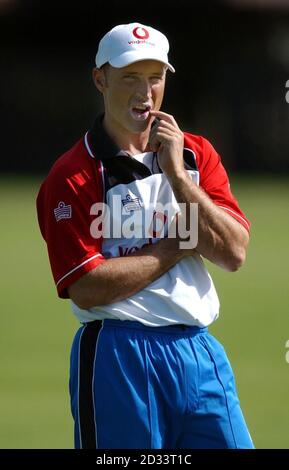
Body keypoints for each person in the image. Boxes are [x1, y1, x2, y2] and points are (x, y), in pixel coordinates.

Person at [36, 22, 254, 449]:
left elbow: (233, 252)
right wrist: (173, 247)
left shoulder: (194, 154)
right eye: (130, 77)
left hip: (200, 350)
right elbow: (85, 285)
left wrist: (177, 176)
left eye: (155, 77)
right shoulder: (71, 176)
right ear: (100, 79)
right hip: (118, 353)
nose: (145, 91)